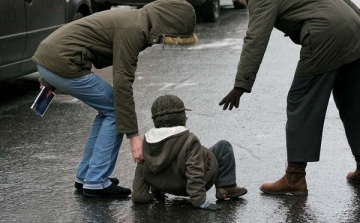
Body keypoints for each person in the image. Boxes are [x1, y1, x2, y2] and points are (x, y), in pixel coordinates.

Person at [31, 0, 197, 198]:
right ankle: (96, 181)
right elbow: (122, 83)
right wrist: (133, 135)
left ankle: (87, 176)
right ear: (168, 23)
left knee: (108, 108)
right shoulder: (135, 29)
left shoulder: (137, 20)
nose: (164, 41)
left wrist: (47, 77)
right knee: (115, 109)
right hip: (63, 63)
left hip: (49, 60)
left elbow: (71, 37)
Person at [219, 0, 360, 195]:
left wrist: (240, 85)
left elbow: (256, 38)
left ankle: (295, 177)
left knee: (302, 102)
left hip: (325, 32)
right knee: (353, 102)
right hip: (354, 27)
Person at [132, 94, 247, 210]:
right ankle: (226, 187)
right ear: (181, 117)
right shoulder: (190, 141)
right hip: (187, 186)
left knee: (163, 159)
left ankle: (158, 190)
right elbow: (195, 173)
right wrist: (200, 201)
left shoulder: (146, 142)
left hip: (162, 184)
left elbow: (140, 185)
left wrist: (142, 196)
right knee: (223, 146)